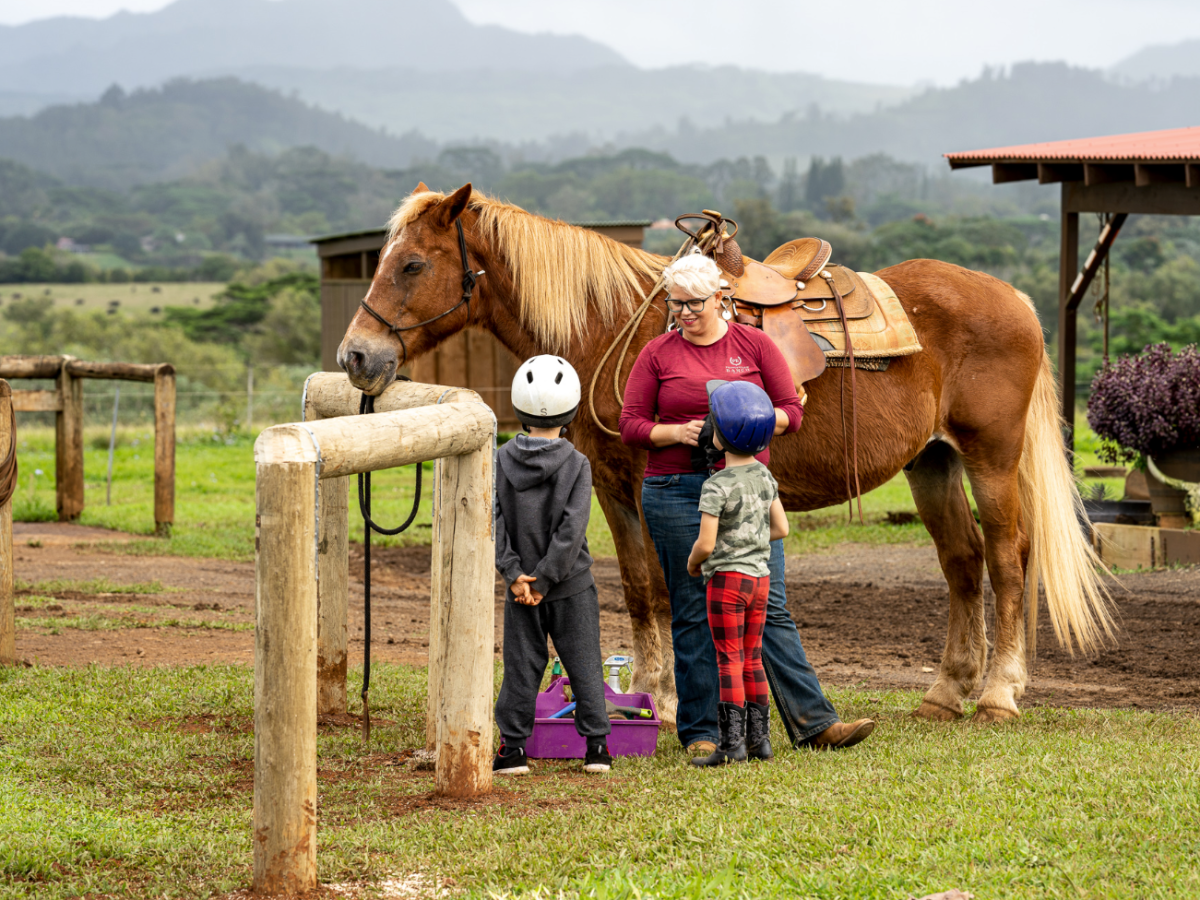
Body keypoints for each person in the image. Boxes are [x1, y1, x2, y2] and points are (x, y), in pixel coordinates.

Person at [619, 252, 874, 754]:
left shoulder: (754, 345)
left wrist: (750, 423)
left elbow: (792, 412)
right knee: (692, 609)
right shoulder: (656, 354)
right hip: (676, 488)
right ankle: (702, 732)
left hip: (747, 489)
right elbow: (631, 425)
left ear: (720, 298)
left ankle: (815, 723)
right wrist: (677, 431)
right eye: (676, 305)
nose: (685, 314)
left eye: (694, 303)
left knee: (769, 603)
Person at [492, 355, 613, 776]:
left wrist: (514, 575)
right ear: (572, 411)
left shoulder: (499, 459)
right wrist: (546, 578)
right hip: (570, 585)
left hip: (520, 587)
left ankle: (512, 751)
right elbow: (572, 529)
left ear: (518, 409)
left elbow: (495, 522)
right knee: (583, 661)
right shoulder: (578, 464)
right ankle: (597, 748)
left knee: (521, 665)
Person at [686, 380, 789, 766]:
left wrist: (694, 563)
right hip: (759, 579)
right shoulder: (765, 478)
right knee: (752, 657)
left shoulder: (716, 486)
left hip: (726, 582)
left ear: (721, 437)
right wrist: (753, 541)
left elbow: (706, 544)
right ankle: (760, 741)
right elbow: (782, 529)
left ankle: (731, 746)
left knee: (727, 659)